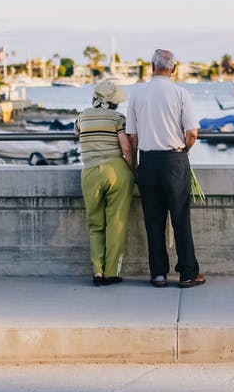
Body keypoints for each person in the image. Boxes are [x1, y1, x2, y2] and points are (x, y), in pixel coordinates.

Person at [125, 48, 206, 288]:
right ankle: (188, 273)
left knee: (153, 220)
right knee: (180, 218)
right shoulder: (181, 93)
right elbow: (192, 133)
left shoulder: (137, 94)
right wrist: (184, 149)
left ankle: (158, 274)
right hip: (174, 160)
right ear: (173, 68)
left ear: (152, 66)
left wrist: (137, 166)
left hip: (148, 161)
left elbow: (132, 136)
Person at [74, 78, 135, 285]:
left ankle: (97, 270)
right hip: (116, 170)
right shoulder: (118, 118)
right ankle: (112, 272)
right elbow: (126, 148)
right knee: (116, 224)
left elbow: (78, 135)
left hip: (90, 171)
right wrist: (133, 169)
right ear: (114, 101)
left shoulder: (82, 117)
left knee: (95, 224)